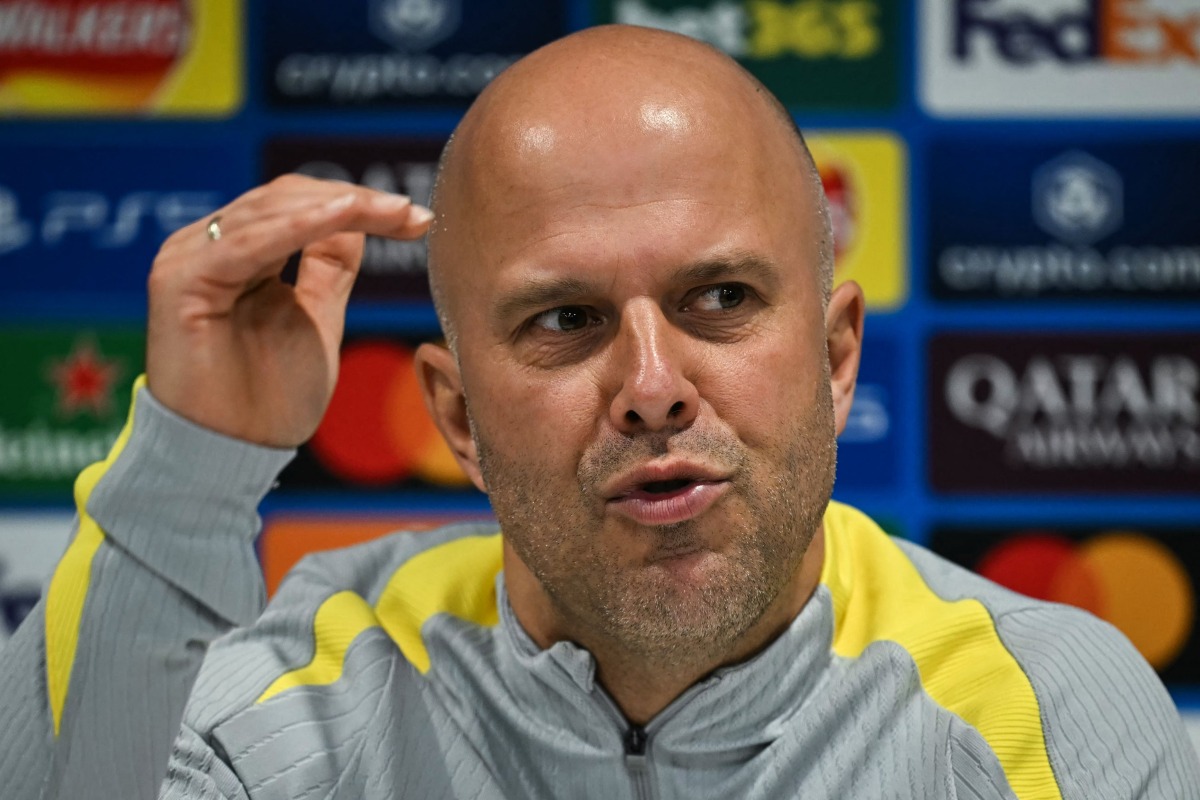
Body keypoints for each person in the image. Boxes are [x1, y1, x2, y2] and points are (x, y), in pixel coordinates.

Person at [1, 24, 1197, 800]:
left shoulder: (1041, 717)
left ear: (836, 357)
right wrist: (192, 463)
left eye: (720, 298)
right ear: (458, 419)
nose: (652, 384)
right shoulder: (297, 715)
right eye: (565, 321)